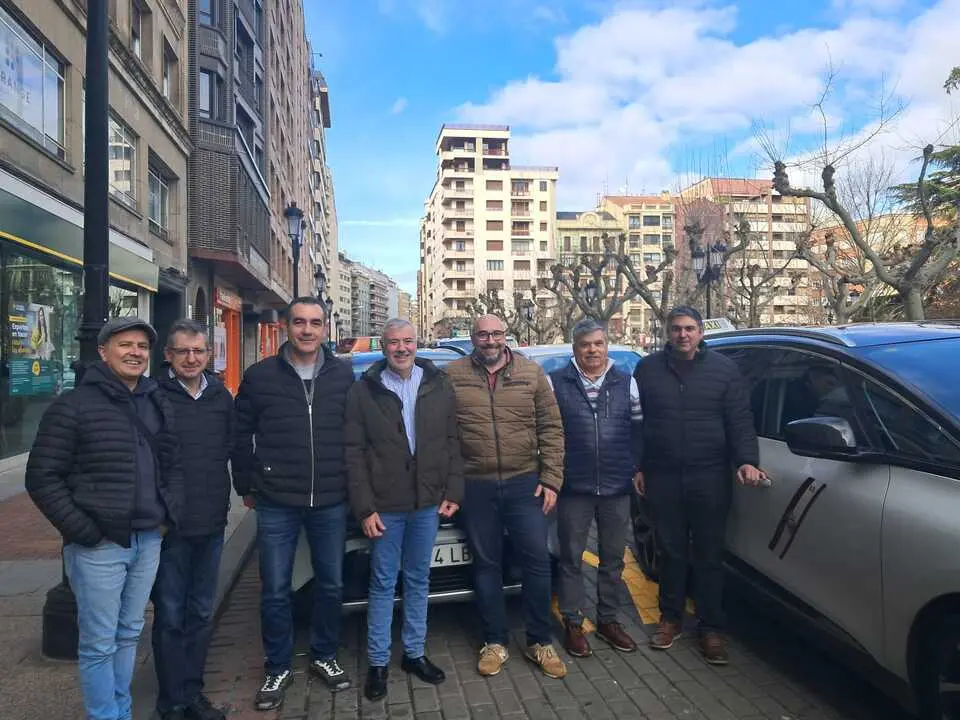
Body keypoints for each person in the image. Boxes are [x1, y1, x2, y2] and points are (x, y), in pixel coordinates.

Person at [25, 317, 183, 720]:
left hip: (148, 539)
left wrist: (166, 516)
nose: (135, 352)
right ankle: (104, 715)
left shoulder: (154, 399)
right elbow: (42, 477)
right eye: (125, 344)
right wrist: (83, 531)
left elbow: (170, 463)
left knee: (129, 633)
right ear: (103, 351)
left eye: (142, 346)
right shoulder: (73, 405)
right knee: (99, 642)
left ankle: (121, 710)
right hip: (100, 546)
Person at [232, 297, 354, 711]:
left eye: (315, 323)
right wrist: (246, 483)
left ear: (325, 328)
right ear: (286, 326)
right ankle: (278, 665)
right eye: (299, 322)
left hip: (332, 500)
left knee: (331, 584)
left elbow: (356, 433)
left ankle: (324, 655)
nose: (307, 330)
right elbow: (239, 434)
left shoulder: (344, 373)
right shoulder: (261, 376)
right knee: (276, 588)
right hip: (277, 500)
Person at [634, 306, 763, 665]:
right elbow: (639, 422)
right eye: (676, 329)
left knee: (709, 555)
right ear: (667, 332)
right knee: (671, 553)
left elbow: (739, 419)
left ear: (701, 332)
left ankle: (710, 628)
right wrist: (639, 466)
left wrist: (747, 460)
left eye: (689, 328)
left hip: (710, 475)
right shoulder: (648, 369)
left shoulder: (724, 370)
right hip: (663, 476)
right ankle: (670, 619)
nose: (683, 335)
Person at [344, 318, 464, 701]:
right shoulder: (364, 391)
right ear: (383, 346)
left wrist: (454, 489)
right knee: (382, 583)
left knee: (418, 580)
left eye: (408, 341)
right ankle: (378, 662)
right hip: (386, 504)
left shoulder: (438, 384)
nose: (401, 349)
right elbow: (354, 454)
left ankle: (414, 653)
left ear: (417, 343)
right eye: (394, 342)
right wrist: (364, 508)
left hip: (427, 502)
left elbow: (452, 440)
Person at [445, 315, 567, 680]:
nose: (489, 340)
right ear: (472, 338)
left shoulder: (531, 374)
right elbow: (442, 434)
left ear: (505, 336)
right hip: (476, 486)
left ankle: (540, 641)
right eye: (482, 334)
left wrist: (551, 479)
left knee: (536, 563)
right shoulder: (452, 376)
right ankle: (494, 641)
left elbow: (551, 428)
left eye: (496, 333)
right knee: (486, 565)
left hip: (524, 483)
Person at [152, 320, 235, 720]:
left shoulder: (220, 395)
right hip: (170, 526)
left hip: (211, 521)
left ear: (208, 355)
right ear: (168, 355)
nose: (191, 358)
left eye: (198, 351)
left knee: (201, 613)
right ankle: (170, 701)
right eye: (182, 351)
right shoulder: (152, 396)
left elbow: (231, 449)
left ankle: (192, 692)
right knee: (169, 615)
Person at [547, 319, 643, 659]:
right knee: (571, 558)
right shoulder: (556, 382)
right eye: (586, 344)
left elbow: (638, 429)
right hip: (573, 486)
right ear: (575, 349)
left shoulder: (625, 382)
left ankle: (608, 620)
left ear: (606, 345)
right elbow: (547, 433)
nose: (593, 350)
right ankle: (574, 623)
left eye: (599, 343)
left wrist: (636, 467)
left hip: (617, 485)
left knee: (613, 559)